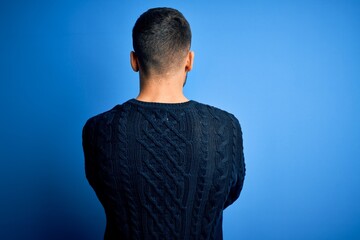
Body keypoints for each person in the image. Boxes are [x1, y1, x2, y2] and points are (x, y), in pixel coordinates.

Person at [82, 7, 245, 240]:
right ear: (189, 60)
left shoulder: (98, 130)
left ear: (134, 61)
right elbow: (227, 195)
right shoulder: (226, 128)